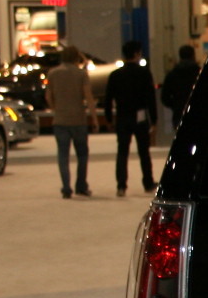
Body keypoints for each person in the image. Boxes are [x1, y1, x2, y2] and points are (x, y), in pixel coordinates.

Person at [104, 39, 158, 197]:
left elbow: (108, 99)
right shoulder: (144, 73)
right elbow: (150, 98)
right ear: (136, 54)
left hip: (122, 117)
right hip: (140, 117)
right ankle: (148, 182)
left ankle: (121, 185)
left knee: (122, 152)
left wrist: (108, 119)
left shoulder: (115, 75)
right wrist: (153, 120)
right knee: (144, 151)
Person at [45, 44, 93, 199]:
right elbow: (88, 96)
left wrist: (55, 109)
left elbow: (48, 96)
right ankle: (81, 185)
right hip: (78, 119)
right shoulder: (81, 74)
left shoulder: (53, 73)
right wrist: (94, 117)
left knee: (63, 156)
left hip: (60, 120)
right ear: (76, 57)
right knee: (82, 155)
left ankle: (66, 187)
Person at [160, 44, 199, 131]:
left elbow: (164, 97)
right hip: (198, 114)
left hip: (179, 112)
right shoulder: (199, 73)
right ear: (193, 55)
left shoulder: (172, 74)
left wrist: (175, 105)